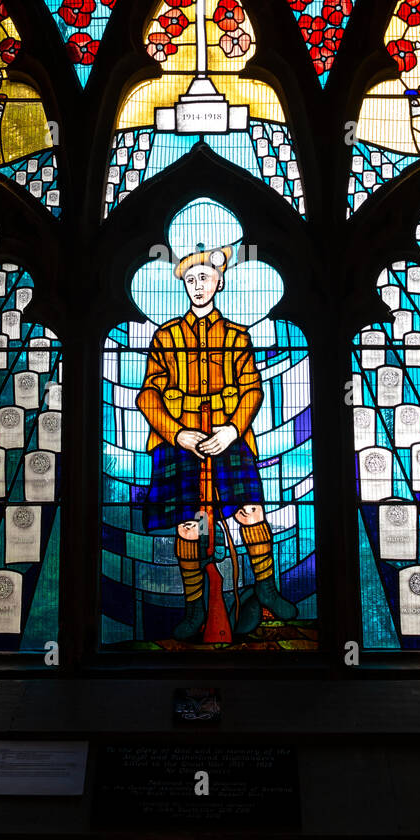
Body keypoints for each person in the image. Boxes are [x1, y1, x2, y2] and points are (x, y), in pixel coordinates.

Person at [136, 244, 297, 640]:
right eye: (190, 280)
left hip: (230, 439)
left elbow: (252, 390)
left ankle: (264, 589)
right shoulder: (166, 336)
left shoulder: (236, 337)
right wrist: (176, 433)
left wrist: (232, 430)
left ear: (219, 282)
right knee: (190, 526)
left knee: (250, 512)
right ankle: (195, 610)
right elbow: (147, 395)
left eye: (204, 278)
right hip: (179, 443)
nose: (197, 286)